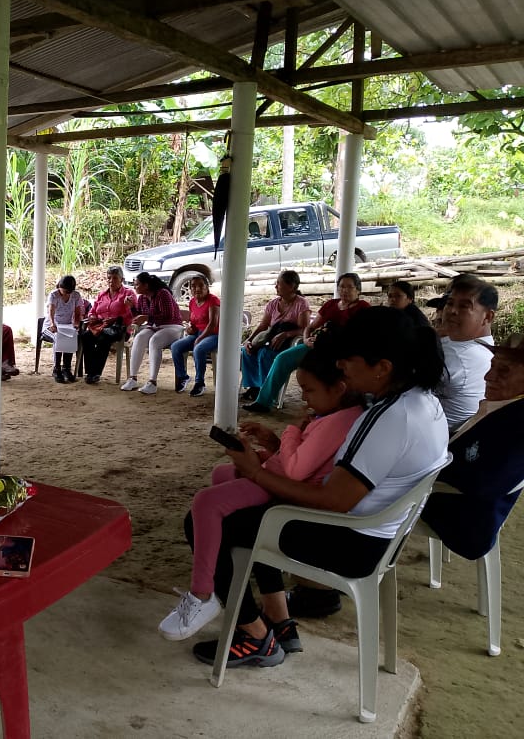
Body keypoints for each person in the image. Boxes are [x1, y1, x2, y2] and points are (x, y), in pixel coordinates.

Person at [184, 307, 448, 667]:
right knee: (248, 510)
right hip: (376, 533)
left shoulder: (389, 418)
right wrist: (275, 457)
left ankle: (255, 636)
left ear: (382, 367)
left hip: (351, 541)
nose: (341, 365)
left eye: (349, 359)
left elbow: (332, 500)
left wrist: (256, 472)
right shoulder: (421, 401)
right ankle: (279, 620)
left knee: (209, 520)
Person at [159, 346, 363, 641]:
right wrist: (273, 447)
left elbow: (296, 471)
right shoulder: (332, 414)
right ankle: (273, 611)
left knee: (206, 504)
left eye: (309, 390)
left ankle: (203, 594)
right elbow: (309, 461)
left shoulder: (338, 420)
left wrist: (291, 432)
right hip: (285, 480)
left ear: (339, 388)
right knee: (222, 475)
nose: (304, 397)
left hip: (290, 492)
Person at [420, 333, 524, 561]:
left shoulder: (517, 422)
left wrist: (424, 470)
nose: (488, 376)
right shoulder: (504, 407)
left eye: (503, 371)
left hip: (464, 521)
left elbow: (487, 482)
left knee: (374, 498)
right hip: (452, 501)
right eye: (492, 366)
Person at [243, 271, 370, 414]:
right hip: (317, 345)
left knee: (321, 368)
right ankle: (263, 402)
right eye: (341, 286)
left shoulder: (363, 307)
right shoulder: (331, 304)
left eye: (349, 287)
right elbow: (310, 327)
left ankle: (326, 406)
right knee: (282, 358)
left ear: (358, 289)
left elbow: (363, 335)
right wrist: (306, 339)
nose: (344, 290)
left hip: (342, 350)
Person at [433, 273, 496, 432]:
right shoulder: (481, 345)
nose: (452, 311)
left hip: (445, 438)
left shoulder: (459, 356)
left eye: (464, 306)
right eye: (450, 303)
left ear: (487, 317)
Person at [239, 270, 310, 402]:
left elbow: (304, 329)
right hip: (271, 341)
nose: (275, 286)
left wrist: (286, 334)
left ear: (291, 286)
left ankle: (268, 392)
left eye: (279, 283)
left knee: (264, 354)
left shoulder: (301, 303)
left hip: (288, 344)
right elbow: (263, 326)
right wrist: (249, 340)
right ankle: (255, 387)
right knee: (247, 351)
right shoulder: (273, 304)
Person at [120, 272, 184, 395]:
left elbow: (168, 315)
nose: (135, 287)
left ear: (146, 285)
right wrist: (131, 307)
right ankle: (132, 378)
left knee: (154, 341)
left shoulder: (162, 293)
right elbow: (139, 316)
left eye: (137, 284)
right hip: (155, 326)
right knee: (139, 337)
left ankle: (152, 382)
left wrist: (147, 318)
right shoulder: (142, 298)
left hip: (173, 326)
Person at [80, 265, 135, 385]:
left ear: (121, 279)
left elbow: (132, 314)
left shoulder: (128, 294)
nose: (111, 281)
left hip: (119, 328)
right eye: (109, 278)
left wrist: (116, 319)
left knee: (103, 338)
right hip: (101, 326)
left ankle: (95, 373)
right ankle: (90, 372)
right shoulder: (102, 294)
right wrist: (92, 316)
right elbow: (92, 311)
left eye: (115, 278)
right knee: (86, 336)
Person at [170, 274, 220, 397]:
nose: (197, 289)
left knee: (199, 348)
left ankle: (199, 383)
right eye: (193, 286)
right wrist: (190, 329)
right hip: (198, 334)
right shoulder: (192, 302)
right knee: (175, 346)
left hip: (213, 334)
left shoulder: (213, 300)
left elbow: (213, 324)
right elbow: (194, 322)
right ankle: (183, 377)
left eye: (200, 285)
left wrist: (200, 338)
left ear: (207, 287)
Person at [43, 275, 85, 383]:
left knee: (71, 336)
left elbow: (77, 312)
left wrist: (76, 324)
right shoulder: (54, 295)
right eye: (65, 291)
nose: (67, 294)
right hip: (52, 325)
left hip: (67, 325)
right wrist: (53, 324)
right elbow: (51, 311)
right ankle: (56, 368)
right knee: (58, 337)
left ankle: (66, 368)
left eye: (69, 292)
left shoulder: (75, 295)